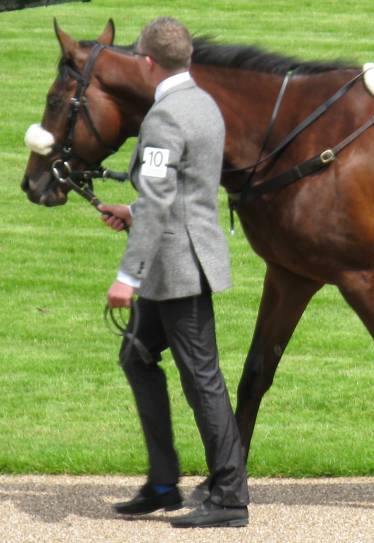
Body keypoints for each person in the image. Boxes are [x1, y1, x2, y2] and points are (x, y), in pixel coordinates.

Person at [100, 17, 249, 529]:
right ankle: (163, 483)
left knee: (202, 379)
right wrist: (132, 209)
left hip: (176, 270)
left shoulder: (164, 118)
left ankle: (230, 498)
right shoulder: (203, 102)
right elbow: (180, 190)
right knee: (136, 357)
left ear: (147, 62)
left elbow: (162, 199)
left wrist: (128, 276)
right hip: (186, 258)